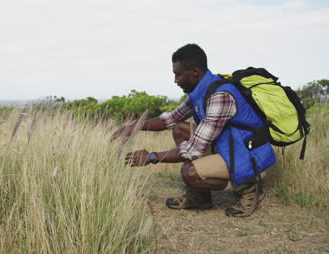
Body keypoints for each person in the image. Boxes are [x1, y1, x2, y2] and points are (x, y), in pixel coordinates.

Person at [111, 43, 276, 217]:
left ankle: (249, 187)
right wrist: (134, 126)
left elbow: (194, 149)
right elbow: (171, 119)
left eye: (178, 75)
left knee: (189, 173)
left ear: (195, 71)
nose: (175, 81)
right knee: (180, 129)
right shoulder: (201, 90)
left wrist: (151, 157)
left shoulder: (221, 96)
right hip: (228, 146)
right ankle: (201, 197)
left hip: (247, 155)